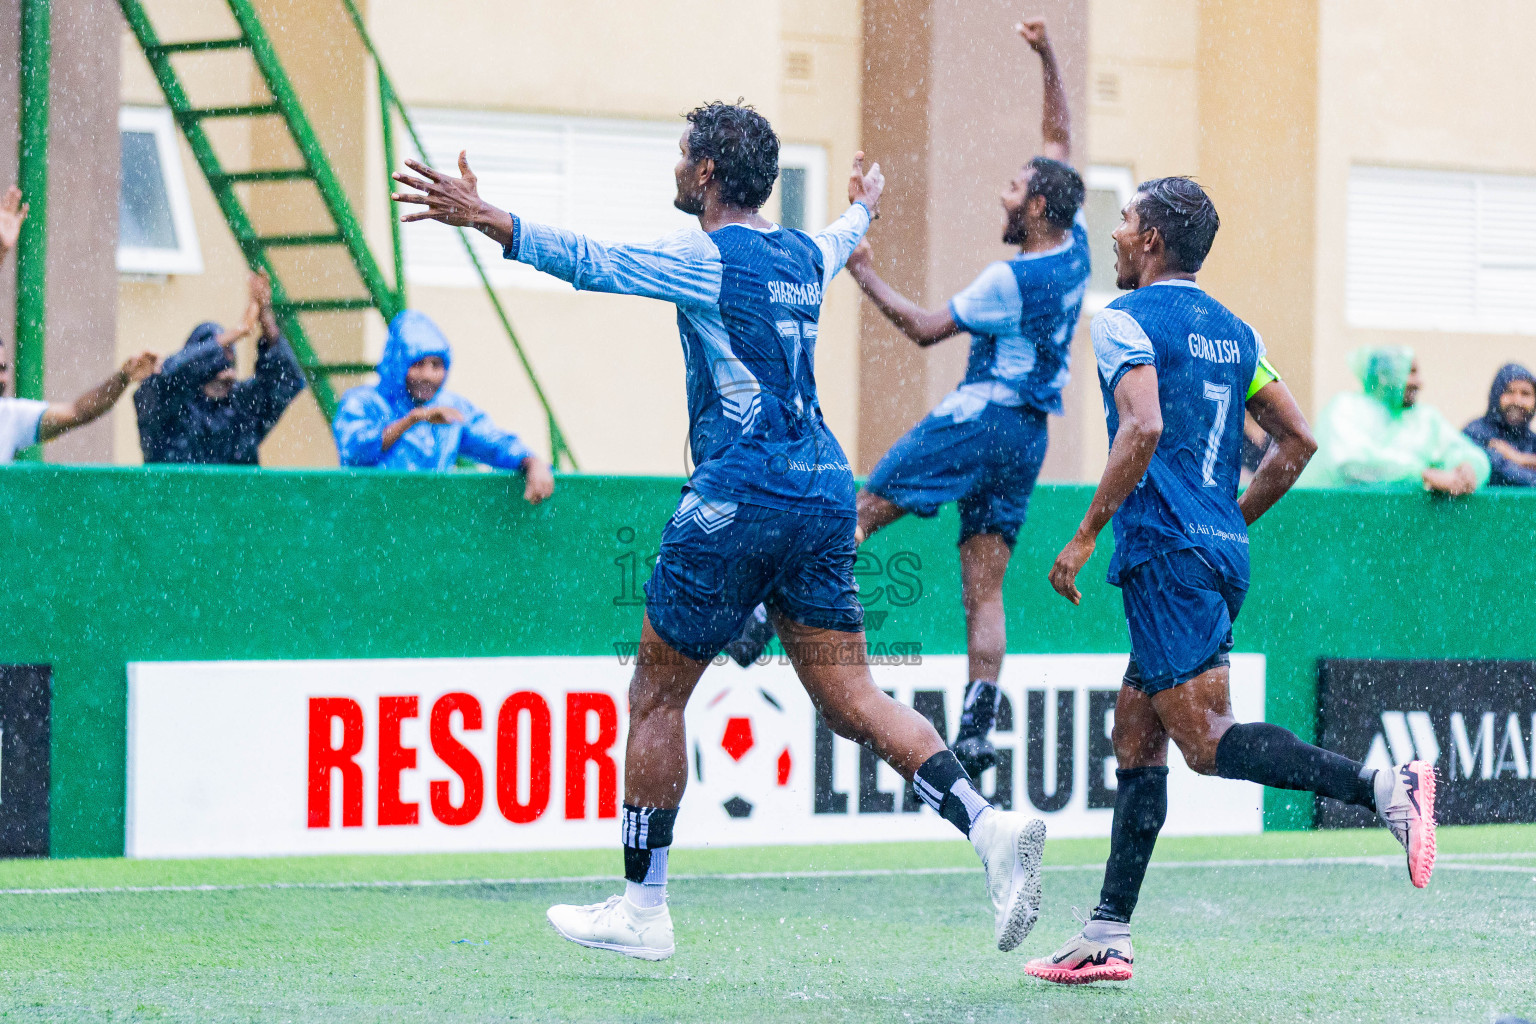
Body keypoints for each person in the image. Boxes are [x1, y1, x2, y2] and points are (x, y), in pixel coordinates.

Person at [392, 100, 1047, 962]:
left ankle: (643, 909)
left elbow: (593, 263)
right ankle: (989, 827)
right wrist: (868, 205)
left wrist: (488, 219)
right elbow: (845, 235)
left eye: (679, 156)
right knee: (855, 701)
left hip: (739, 496)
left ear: (706, 175)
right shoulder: (805, 252)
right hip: (822, 493)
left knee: (657, 696)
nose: (672, 167)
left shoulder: (704, 255)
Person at [1030, 178, 1437, 985]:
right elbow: (1299, 439)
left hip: (1166, 555)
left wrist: (1083, 535)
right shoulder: (1237, 331)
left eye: (1124, 219)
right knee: (1134, 730)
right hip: (1215, 552)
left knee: (1207, 744)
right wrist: (1228, 517)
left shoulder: (1121, 320)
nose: (1114, 233)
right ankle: (1108, 931)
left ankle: (1385, 786)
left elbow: (1142, 424)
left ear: (1150, 240)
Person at [844, 17, 1089, 778]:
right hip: (1029, 439)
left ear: (1040, 209)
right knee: (983, 589)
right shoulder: (1076, 247)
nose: (1005, 194)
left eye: (1015, 189)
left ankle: (760, 621)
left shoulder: (1008, 281)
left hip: (980, 418)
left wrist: (861, 268)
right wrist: (1048, 54)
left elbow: (922, 329)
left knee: (857, 515)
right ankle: (977, 729)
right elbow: (1060, 138)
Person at [0, 185, 158, 462]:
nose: (2, 377)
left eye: (3, 368)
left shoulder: (10, 417)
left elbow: (78, 411)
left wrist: (122, 379)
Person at [332, 309, 555, 504]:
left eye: (437, 365)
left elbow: (493, 444)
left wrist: (531, 462)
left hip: (430, 524)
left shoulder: (451, 408)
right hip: (371, 521)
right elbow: (355, 452)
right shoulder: (362, 402)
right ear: (397, 365)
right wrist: (413, 419)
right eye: (417, 365)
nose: (428, 375)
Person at [134, 270, 306, 464]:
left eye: (228, 362)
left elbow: (288, 379)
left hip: (236, 496)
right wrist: (237, 332)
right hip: (176, 495)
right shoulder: (165, 404)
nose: (223, 374)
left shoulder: (241, 405)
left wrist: (265, 316)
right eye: (213, 366)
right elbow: (167, 375)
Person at [1299, 346, 1489, 494]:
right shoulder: (1345, 408)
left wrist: (1468, 467)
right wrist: (1424, 475)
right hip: (1335, 521)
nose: (1419, 383)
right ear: (1383, 375)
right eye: (1410, 372)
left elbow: (1461, 450)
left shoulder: (1424, 418)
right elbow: (1351, 464)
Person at [1463, 363, 1536, 487]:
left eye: (1525, 394)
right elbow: (1504, 474)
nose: (1517, 401)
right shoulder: (1476, 432)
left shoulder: (1531, 440)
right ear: (1496, 395)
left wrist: (1521, 458)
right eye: (1509, 391)